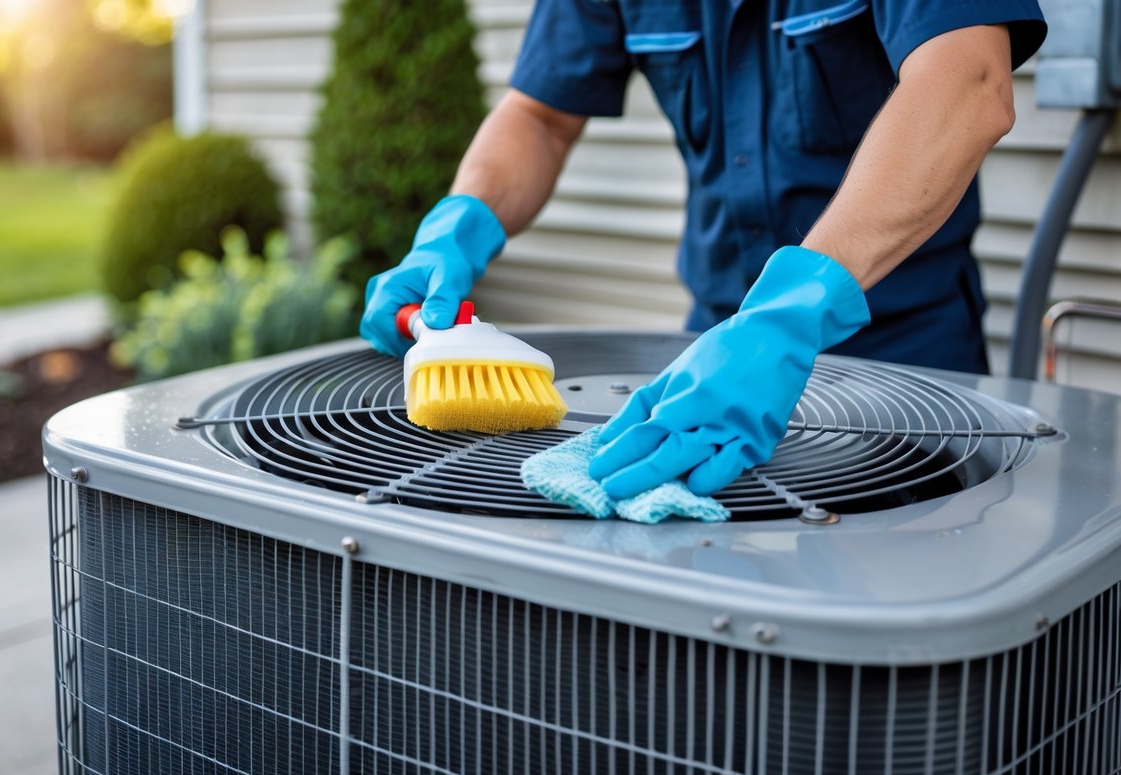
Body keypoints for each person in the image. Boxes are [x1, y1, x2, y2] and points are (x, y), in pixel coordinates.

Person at [359, 0, 1048, 501]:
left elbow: (967, 83)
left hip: (907, 369)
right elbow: (539, 116)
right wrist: (458, 223)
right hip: (710, 362)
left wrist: (788, 315)